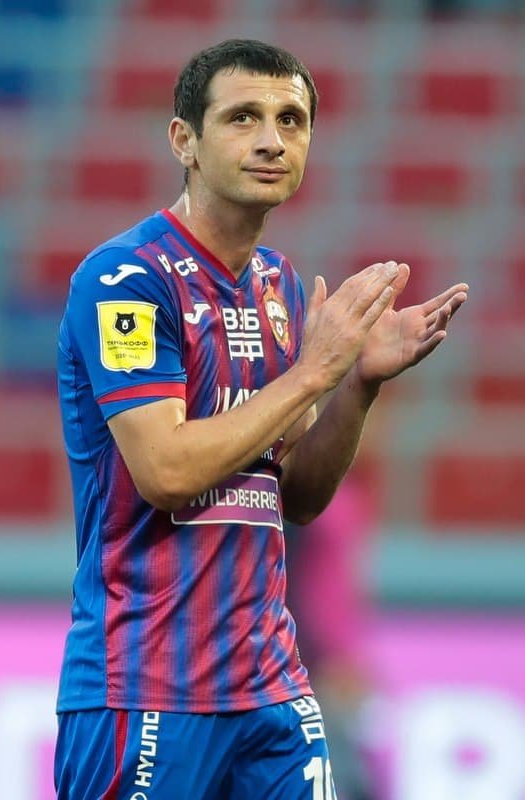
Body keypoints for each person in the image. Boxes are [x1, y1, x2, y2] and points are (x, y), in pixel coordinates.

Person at [53, 39, 467, 800]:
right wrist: (313, 372)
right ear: (185, 140)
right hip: (147, 688)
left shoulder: (277, 286)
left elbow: (297, 495)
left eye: (291, 120)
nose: (273, 140)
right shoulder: (126, 280)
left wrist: (356, 386)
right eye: (243, 117)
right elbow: (166, 471)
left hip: (272, 689)